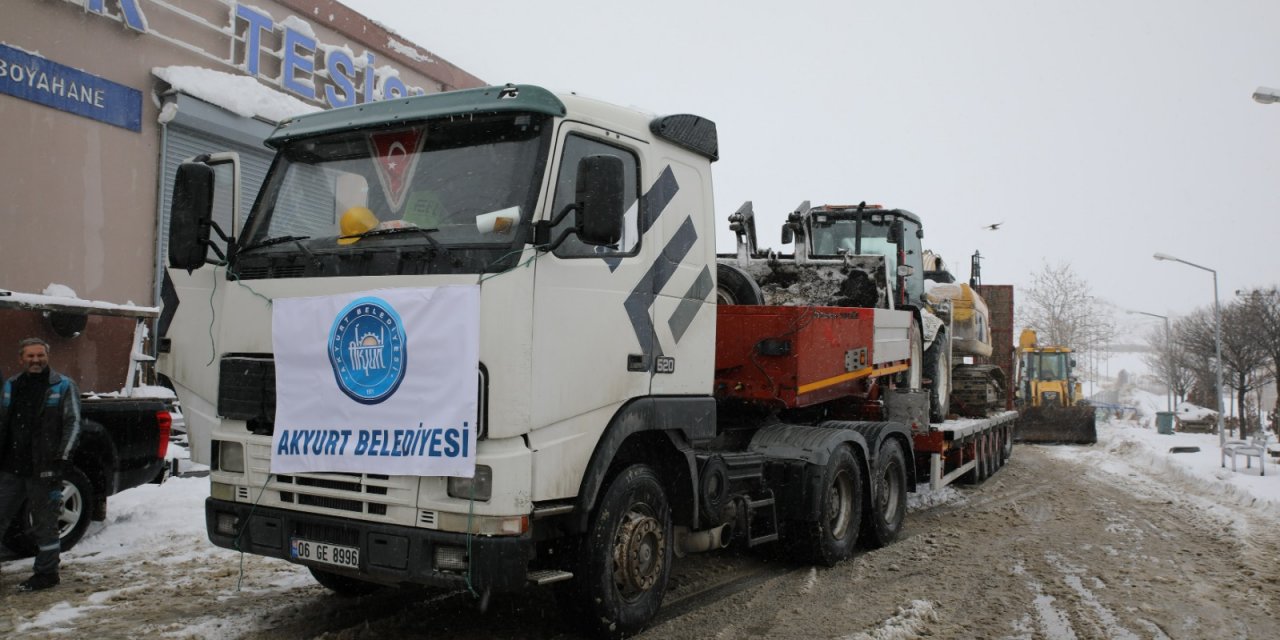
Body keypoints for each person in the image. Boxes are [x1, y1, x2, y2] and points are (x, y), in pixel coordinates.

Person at [0, 337, 82, 592]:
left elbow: (74, 423)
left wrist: (63, 459)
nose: (36, 360)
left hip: (44, 468)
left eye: (40, 356)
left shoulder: (63, 386)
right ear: (21, 359)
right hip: (11, 467)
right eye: (30, 356)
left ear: (47, 357)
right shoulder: (11, 385)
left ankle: (47, 573)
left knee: (44, 524)